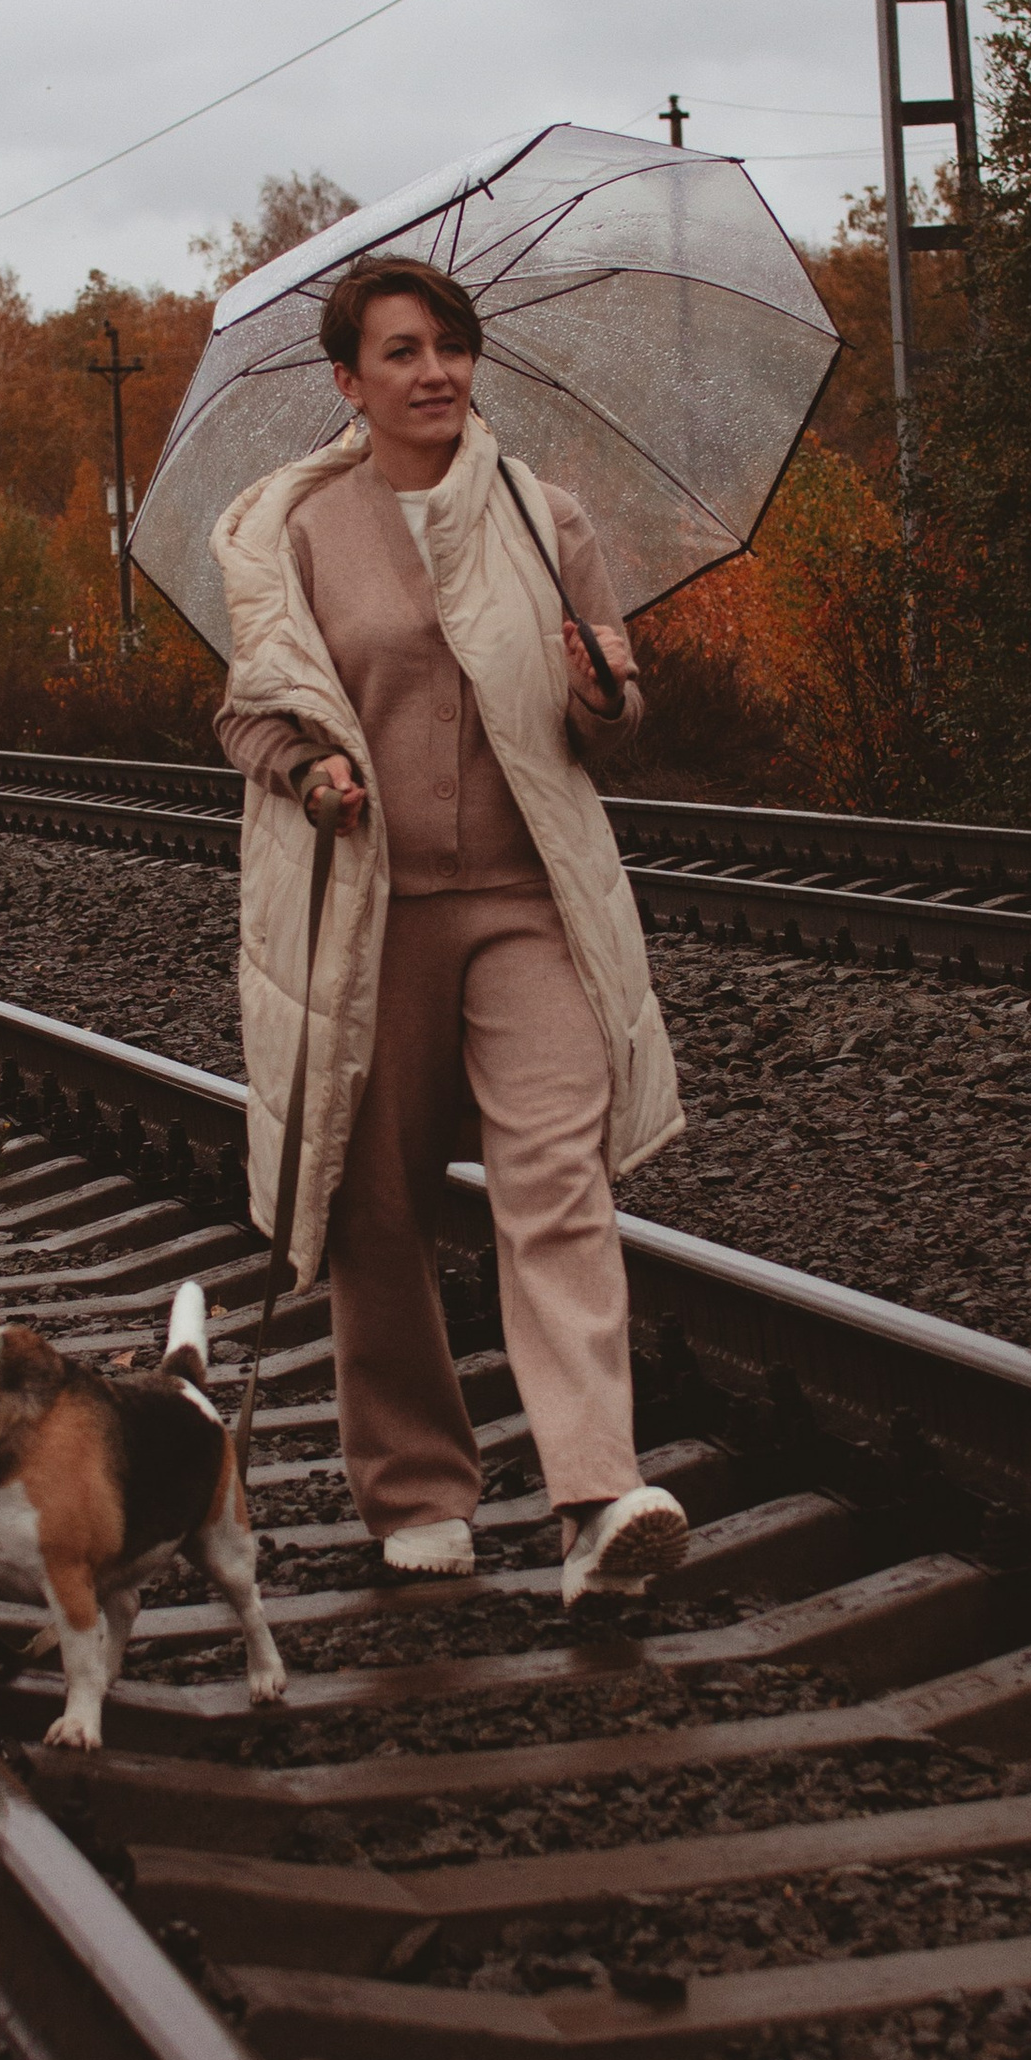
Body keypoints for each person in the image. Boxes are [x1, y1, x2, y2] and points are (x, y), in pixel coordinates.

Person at [212, 256, 688, 1600]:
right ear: (348, 380)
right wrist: (309, 772)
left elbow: (616, 725)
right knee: (381, 1210)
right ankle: (419, 1486)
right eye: (403, 351)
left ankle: (598, 1495)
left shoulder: (546, 519)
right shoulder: (288, 533)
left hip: (529, 905)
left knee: (559, 1182)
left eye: (452, 347)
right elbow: (243, 714)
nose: (434, 372)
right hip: (368, 917)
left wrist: (607, 690)